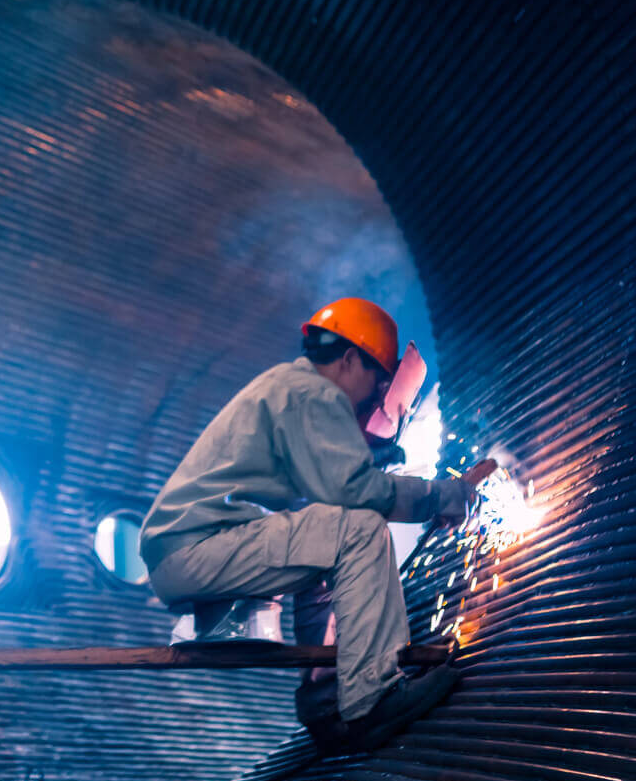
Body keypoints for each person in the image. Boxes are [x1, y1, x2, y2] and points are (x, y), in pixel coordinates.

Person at [139, 298, 496, 753]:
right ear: (350, 359)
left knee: (330, 538)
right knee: (359, 528)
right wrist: (442, 496)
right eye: (377, 380)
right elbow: (357, 493)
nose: (374, 395)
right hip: (198, 547)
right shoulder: (312, 392)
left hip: (195, 548)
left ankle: (327, 699)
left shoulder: (288, 391)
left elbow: (327, 505)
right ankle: (374, 698)